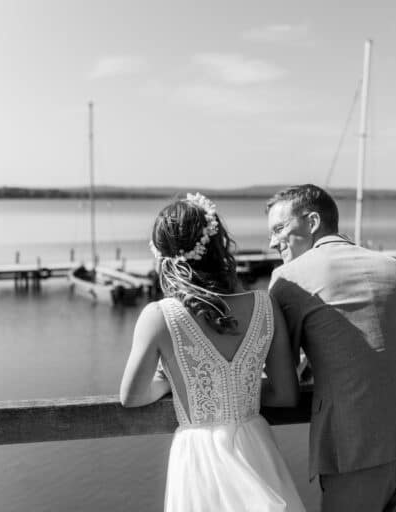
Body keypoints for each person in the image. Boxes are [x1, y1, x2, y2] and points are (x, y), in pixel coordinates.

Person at [266, 184, 396, 511]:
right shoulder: (395, 267)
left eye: (280, 228)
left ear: (312, 222)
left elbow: (284, 377)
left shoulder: (288, 279)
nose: (272, 241)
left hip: (356, 447)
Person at [120, 193, 305, 512]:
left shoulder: (159, 316)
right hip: (255, 446)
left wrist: (168, 381)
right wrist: (239, 393)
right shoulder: (265, 305)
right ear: (219, 245)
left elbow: (132, 397)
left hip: (199, 459)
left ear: (163, 255)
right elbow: (287, 395)